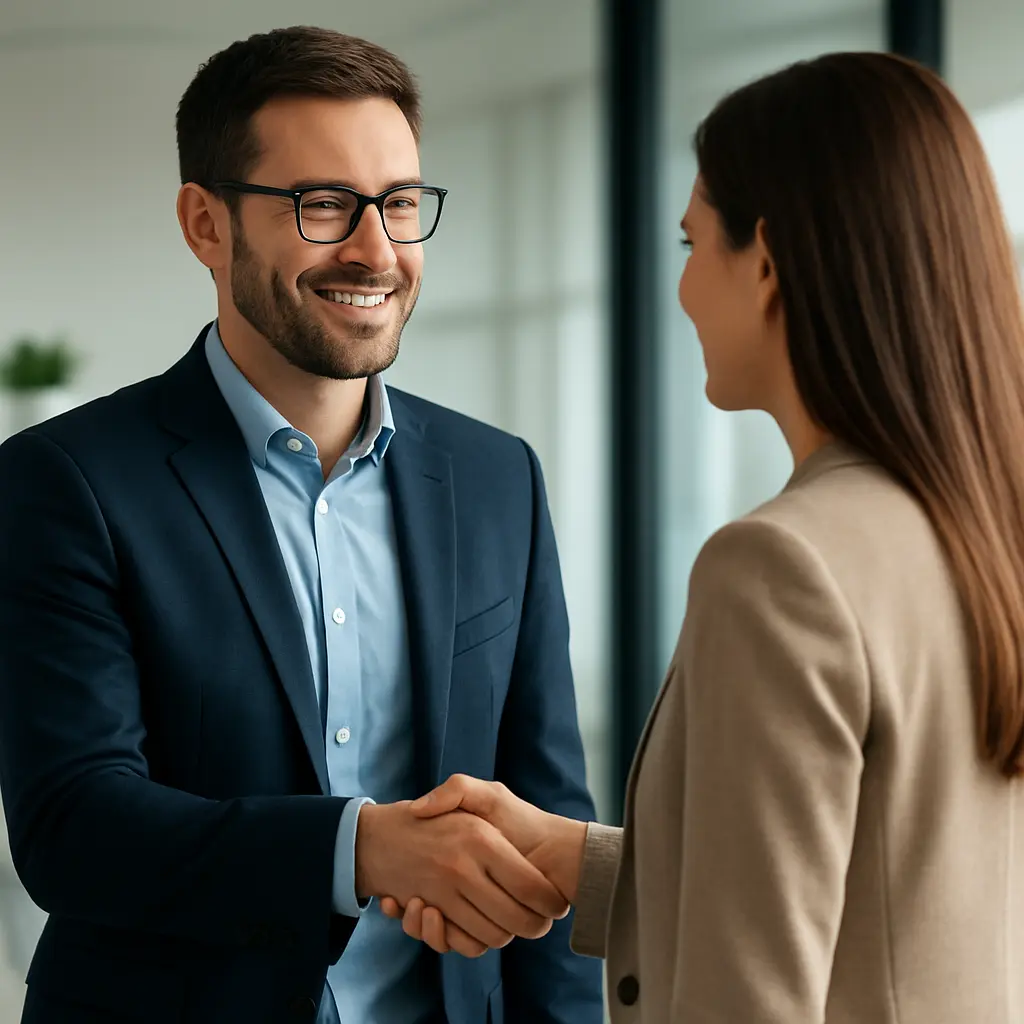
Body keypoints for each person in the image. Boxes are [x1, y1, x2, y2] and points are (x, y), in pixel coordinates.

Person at [382, 51, 1024, 1023]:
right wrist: (581, 860)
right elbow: (886, 892)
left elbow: (749, 995)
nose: (679, 290)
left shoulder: (783, 568)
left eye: (690, 244)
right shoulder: (981, 532)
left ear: (763, 260)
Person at [0, 25, 603, 1024]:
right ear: (205, 223)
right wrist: (360, 847)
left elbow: (550, 824)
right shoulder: (64, 482)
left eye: (400, 204)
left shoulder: (499, 477)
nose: (376, 249)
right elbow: (75, 829)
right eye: (322, 205)